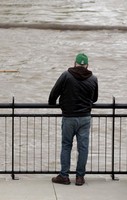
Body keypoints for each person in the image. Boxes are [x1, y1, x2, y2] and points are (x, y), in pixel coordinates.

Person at [48, 53, 98, 186]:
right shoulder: (93, 78)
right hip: (85, 118)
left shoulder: (66, 75)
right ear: (87, 65)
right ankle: (80, 177)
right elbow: (95, 99)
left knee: (66, 146)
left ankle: (64, 176)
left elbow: (54, 93)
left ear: (75, 63)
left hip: (69, 117)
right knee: (83, 148)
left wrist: (53, 103)